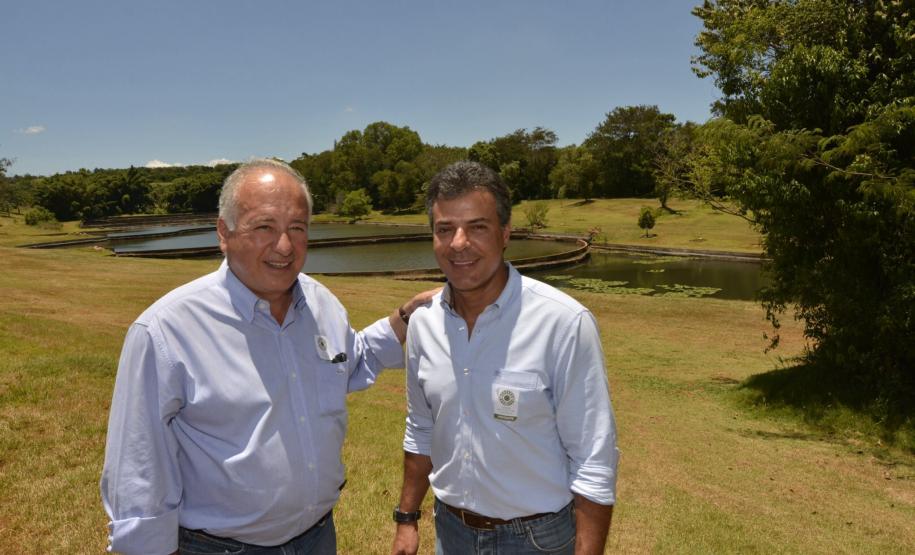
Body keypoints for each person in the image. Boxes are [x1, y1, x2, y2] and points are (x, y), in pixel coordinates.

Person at [101, 158, 431, 555]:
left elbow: (350, 361)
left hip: (317, 538)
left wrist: (404, 317)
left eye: (298, 228)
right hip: (219, 548)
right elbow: (138, 467)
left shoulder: (320, 303)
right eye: (265, 227)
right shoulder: (166, 331)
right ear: (224, 233)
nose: (285, 246)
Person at [390, 161, 619, 555]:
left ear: (505, 233)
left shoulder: (562, 323)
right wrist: (407, 518)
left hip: (537, 539)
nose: (459, 243)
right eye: (445, 229)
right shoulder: (424, 326)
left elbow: (593, 458)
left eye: (477, 227)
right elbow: (421, 428)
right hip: (452, 531)